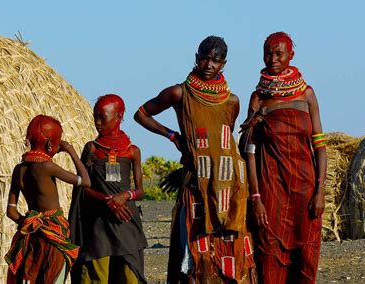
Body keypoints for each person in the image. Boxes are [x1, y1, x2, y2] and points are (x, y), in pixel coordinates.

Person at [134, 36, 257, 283]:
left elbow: (223, 143)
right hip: (196, 183)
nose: (209, 64)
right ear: (196, 57)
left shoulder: (232, 101)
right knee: (193, 247)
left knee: (227, 245)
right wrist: (173, 136)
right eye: (204, 58)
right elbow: (141, 114)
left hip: (228, 183)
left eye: (216, 60)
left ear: (224, 64)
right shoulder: (179, 93)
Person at [240, 32, 326, 283]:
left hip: (306, 190)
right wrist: (255, 198)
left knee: (306, 259)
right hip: (271, 190)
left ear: (291, 55)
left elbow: (319, 144)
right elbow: (249, 151)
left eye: (279, 53)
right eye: (268, 53)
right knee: (269, 254)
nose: (273, 59)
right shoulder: (259, 97)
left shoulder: (306, 94)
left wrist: (320, 191)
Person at [69, 94, 148, 283]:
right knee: (96, 274)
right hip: (99, 221)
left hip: (126, 220)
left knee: (129, 276)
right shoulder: (92, 149)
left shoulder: (132, 151)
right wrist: (109, 201)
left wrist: (124, 196)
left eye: (101, 117)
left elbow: (140, 191)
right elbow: (84, 188)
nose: (97, 122)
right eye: (95, 116)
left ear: (118, 117)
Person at [4, 114, 91, 283]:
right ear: (51, 144)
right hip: (54, 238)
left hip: (30, 238)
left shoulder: (18, 170)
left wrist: (31, 224)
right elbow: (85, 181)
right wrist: (71, 150)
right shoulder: (47, 167)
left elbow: (11, 211)